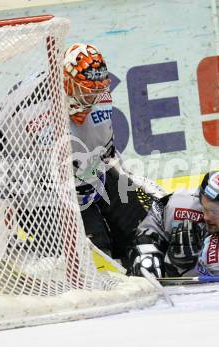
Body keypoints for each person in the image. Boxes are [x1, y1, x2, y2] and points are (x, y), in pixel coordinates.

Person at [62, 43, 165, 266]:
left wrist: (129, 177)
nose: (92, 98)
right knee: (99, 256)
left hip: (98, 175)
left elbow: (106, 150)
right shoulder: (35, 107)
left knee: (142, 237)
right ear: (66, 81)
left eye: (96, 91)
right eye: (86, 91)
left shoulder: (102, 97)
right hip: (60, 195)